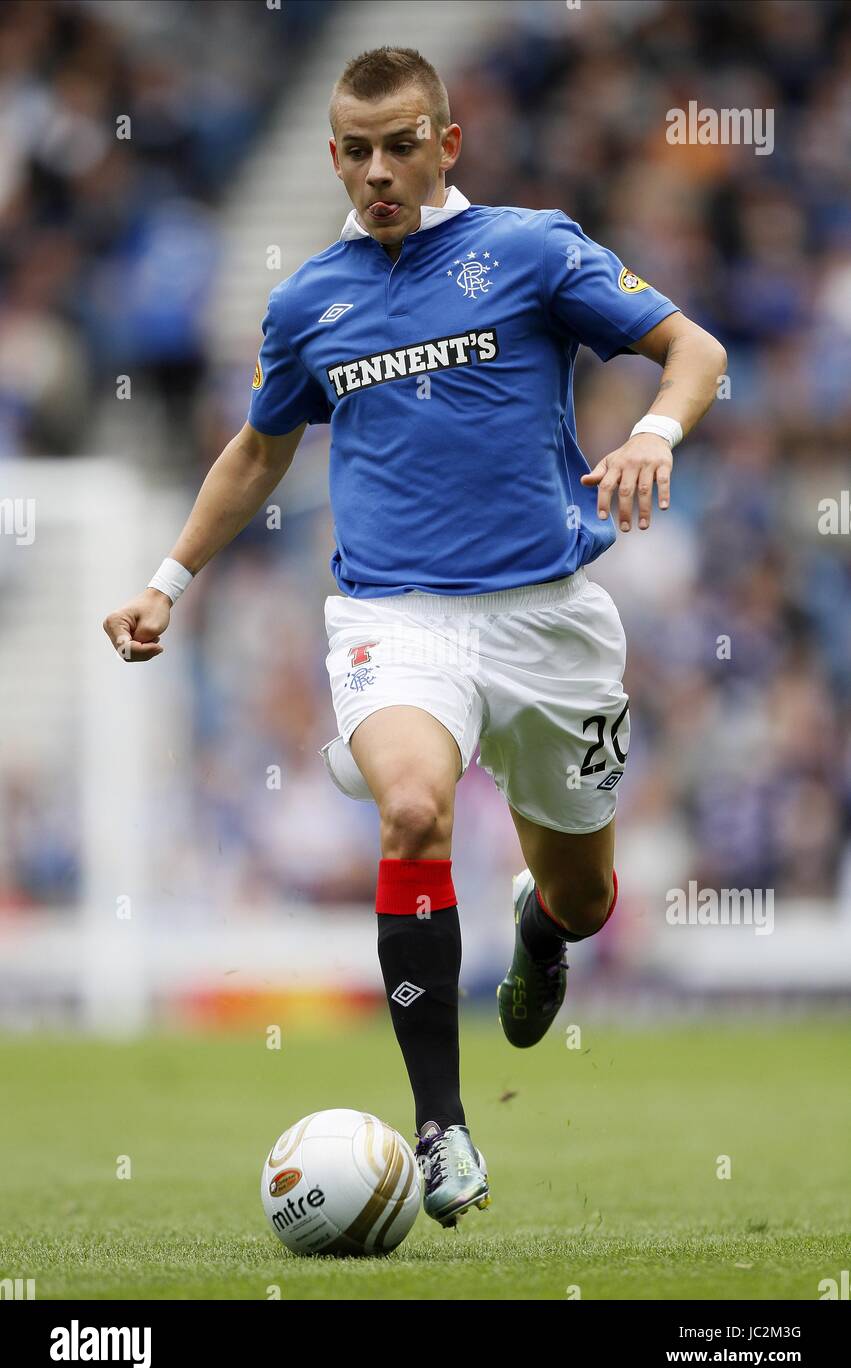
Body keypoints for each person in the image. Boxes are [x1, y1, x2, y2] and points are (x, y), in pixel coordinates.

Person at [103, 46, 726, 1232]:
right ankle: (441, 1127)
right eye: (353, 149)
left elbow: (694, 349)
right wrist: (166, 582)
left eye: (400, 145)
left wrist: (651, 432)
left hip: (546, 619)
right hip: (393, 615)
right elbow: (257, 451)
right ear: (330, 153)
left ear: (448, 144)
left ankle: (541, 932)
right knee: (410, 809)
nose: (376, 171)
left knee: (586, 896)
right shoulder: (308, 304)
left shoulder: (532, 250)